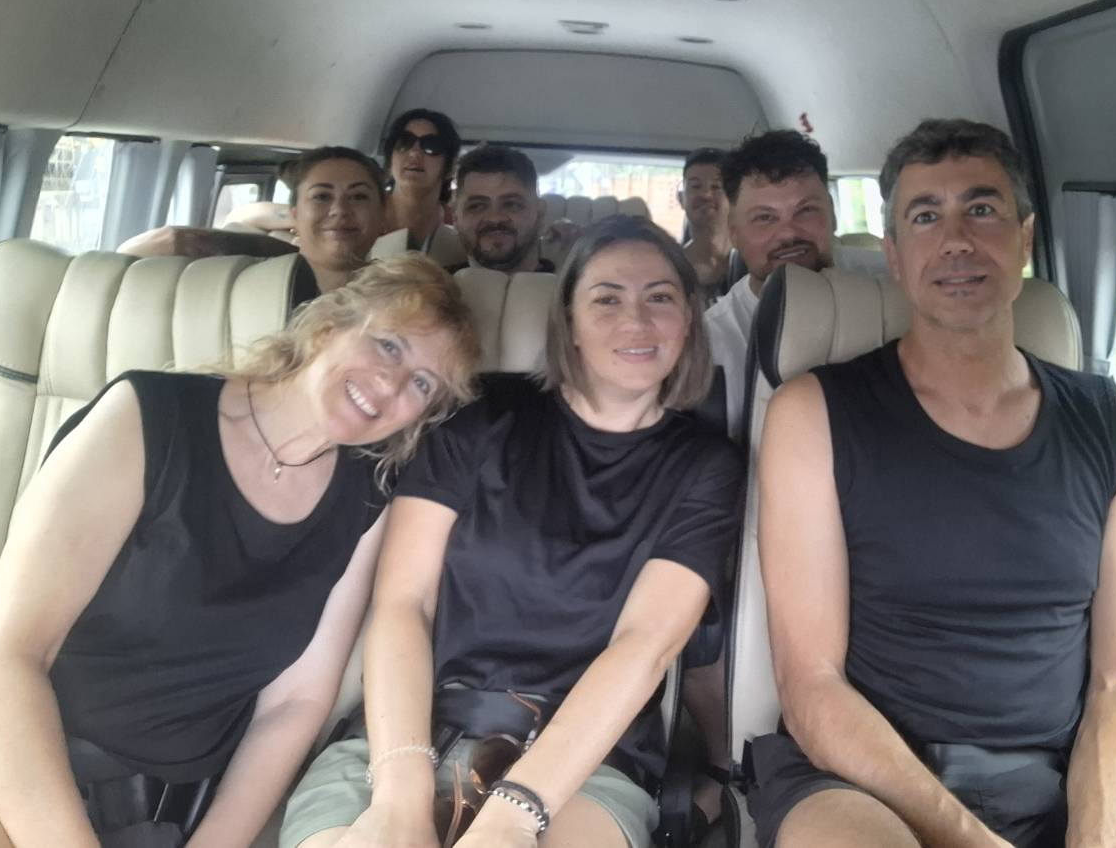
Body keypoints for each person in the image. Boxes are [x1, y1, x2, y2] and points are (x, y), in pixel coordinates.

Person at [749, 118, 1116, 848]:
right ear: (893, 254)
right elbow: (811, 683)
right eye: (925, 217)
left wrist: (1094, 840)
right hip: (864, 785)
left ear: (1025, 237)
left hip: (1069, 787)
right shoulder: (813, 414)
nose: (955, 240)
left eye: (981, 209)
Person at [0, 255, 480, 848]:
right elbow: (7, 655)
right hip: (10, 757)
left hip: (161, 802)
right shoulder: (146, 417)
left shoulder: (367, 499)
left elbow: (294, 704)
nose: (392, 384)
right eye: (389, 346)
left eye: (423, 383)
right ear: (329, 325)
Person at [282, 214, 743, 848]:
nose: (636, 321)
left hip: (585, 762)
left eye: (660, 298)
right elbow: (404, 604)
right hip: (403, 735)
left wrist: (512, 817)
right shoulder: (480, 417)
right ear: (569, 322)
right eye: (607, 299)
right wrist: (400, 801)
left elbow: (644, 646)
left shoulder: (707, 466)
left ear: (689, 318)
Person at [704, 129, 839, 438]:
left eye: (806, 210)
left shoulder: (891, 302)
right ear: (734, 232)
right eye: (764, 218)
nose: (789, 233)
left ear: (832, 213)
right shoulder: (711, 342)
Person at [119, 146, 388, 296]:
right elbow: (144, 248)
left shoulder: (398, 297)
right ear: (295, 213)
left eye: (359, 197)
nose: (339, 210)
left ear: (381, 214)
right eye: (321, 197)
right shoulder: (244, 286)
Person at [452, 144, 559, 273]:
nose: (495, 218)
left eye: (512, 204)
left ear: (540, 212)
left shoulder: (571, 285)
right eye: (476, 206)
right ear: (455, 218)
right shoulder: (432, 283)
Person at [379, 108, 463, 258]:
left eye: (431, 146)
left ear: (450, 168)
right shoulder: (366, 216)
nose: (414, 153)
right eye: (404, 143)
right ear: (389, 162)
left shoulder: (458, 228)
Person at [678, 147, 731, 305]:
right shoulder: (671, 265)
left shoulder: (753, 261)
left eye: (716, 186)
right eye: (695, 186)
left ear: (734, 198)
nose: (706, 195)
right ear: (681, 198)